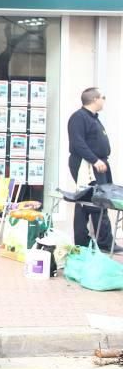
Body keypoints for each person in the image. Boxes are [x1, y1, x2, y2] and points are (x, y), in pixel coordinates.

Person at [67, 87, 122, 252]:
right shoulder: (79, 117)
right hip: (87, 165)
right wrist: (94, 159)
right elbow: (78, 143)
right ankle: (86, 242)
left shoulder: (94, 118)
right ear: (95, 99)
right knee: (88, 201)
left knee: (97, 201)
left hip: (99, 164)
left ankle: (100, 241)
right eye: (103, 97)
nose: (104, 100)